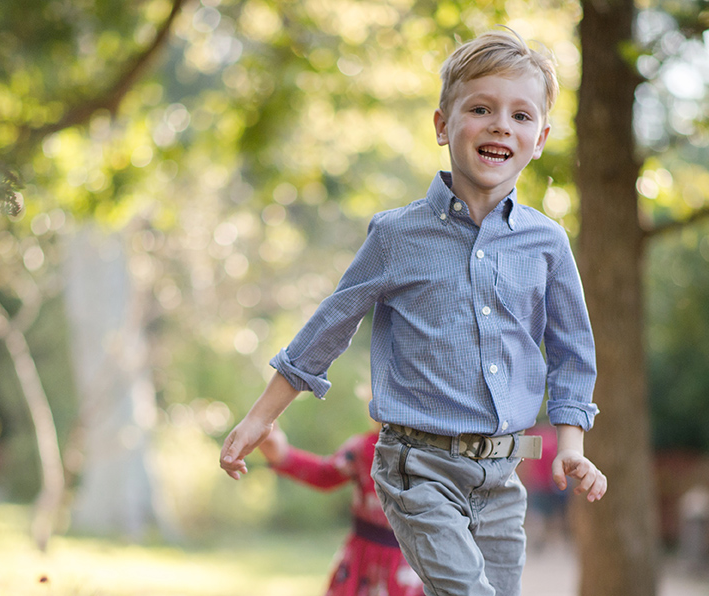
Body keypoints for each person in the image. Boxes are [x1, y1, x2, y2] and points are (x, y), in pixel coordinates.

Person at [220, 27, 607, 596]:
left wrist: (571, 447)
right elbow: (331, 324)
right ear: (442, 125)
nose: (502, 124)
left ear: (541, 137)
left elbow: (573, 351)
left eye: (521, 116)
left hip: (503, 480)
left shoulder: (546, 244)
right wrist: (260, 416)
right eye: (481, 108)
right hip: (416, 470)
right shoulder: (398, 235)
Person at [258, 425, 425, 596]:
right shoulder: (365, 448)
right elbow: (325, 474)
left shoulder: (439, 456)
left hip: (413, 566)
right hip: (363, 562)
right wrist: (282, 455)